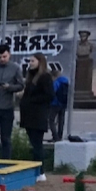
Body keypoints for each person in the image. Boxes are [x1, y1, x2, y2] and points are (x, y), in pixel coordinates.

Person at [19, 52, 54, 181]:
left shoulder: (45, 77)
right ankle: (37, 171)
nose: (30, 63)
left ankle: (41, 171)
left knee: (37, 144)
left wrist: (31, 101)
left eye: (33, 61)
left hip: (37, 116)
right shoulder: (30, 77)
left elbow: (49, 95)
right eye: (30, 61)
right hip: (28, 116)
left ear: (40, 62)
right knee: (34, 144)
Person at [49, 65, 70, 142]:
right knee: (61, 120)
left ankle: (55, 136)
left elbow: (53, 92)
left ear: (54, 76)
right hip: (63, 103)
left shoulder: (57, 82)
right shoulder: (66, 81)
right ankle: (60, 135)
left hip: (55, 103)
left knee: (51, 120)